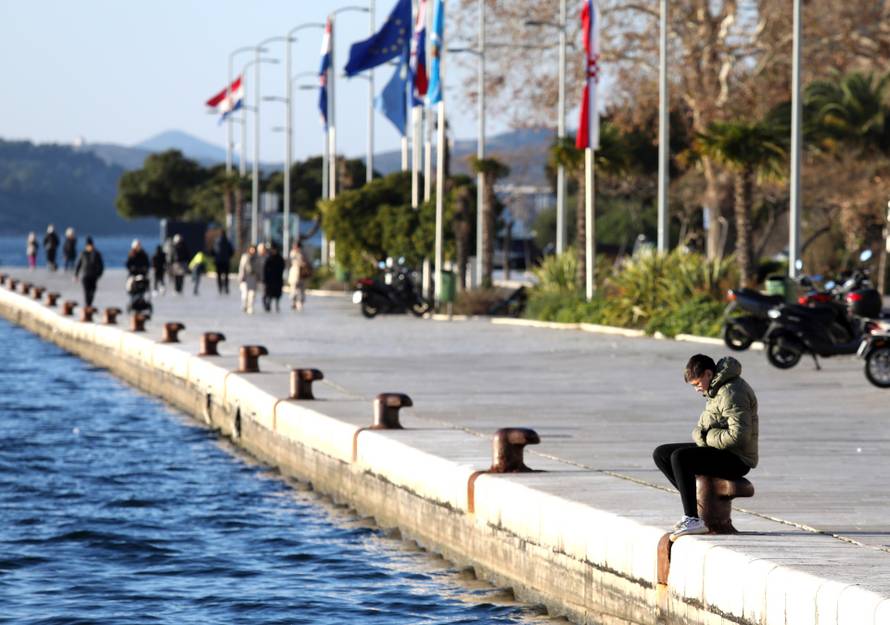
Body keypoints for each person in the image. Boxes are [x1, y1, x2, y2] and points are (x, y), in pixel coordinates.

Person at [653, 354, 759, 539]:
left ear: (708, 374)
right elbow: (703, 427)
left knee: (680, 457)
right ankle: (695, 503)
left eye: (697, 384)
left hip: (737, 458)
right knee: (662, 453)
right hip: (720, 449)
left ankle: (692, 519)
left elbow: (739, 436)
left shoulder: (731, 392)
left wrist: (706, 437)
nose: (696, 389)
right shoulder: (716, 389)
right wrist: (702, 435)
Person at [74, 236, 104, 307]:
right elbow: (78, 265)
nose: (89, 247)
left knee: (92, 291)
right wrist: (76, 275)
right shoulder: (83, 253)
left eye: (91, 245)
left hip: (93, 276)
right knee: (86, 292)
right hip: (85, 276)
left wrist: (99, 274)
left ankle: (89, 304)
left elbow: (101, 266)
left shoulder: (97, 254)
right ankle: (87, 305)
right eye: (88, 245)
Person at [263, 244, 285, 313]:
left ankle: (277, 305)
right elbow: (265, 269)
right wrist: (265, 279)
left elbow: (282, 268)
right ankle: (268, 305)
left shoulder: (280, 259)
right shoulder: (269, 258)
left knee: (277, 294)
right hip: (270, 280)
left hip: (278, 279)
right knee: (269, 294)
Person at [237, 245, 259, 314]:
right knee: (245, 294)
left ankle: (250, 307)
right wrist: (241, 277)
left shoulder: (257, 258)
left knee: (252, 294)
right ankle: (244, 305)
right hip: (245, 277)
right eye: (251, 249)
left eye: (254, 250)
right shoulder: (245, 257)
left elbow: (259, 268)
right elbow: (241, 267)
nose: (253, 251)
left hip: (253, 278)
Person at [287, 242, 309, 311]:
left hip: (302, 274)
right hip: (294, 273)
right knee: (293, 289)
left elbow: (305, 262)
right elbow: (290, 261)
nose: (295, 248)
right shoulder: (292, 253)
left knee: (302, 289)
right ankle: (294, 302)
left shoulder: (303, 253)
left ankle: (300, 302)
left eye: (296, 246)